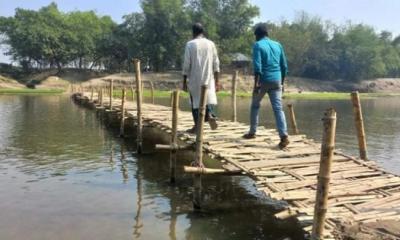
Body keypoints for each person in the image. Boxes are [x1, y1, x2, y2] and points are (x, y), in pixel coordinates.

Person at [243, 23, 290, 149]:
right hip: (277, 80)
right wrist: (282, 82)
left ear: (257, 35)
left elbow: (257, 67)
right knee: (278, 109)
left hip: (263, 80)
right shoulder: (278, 45)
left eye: (255, 36)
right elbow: (284, 66)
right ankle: (283, 136)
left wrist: (256, 85)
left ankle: (252, 132)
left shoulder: (258, 45)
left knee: (255, 105)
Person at [182, 23, 220, 133]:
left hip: (195, 78)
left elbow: (186, 64)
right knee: (207, 100)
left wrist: (184, 81)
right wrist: (217, 81)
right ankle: (210, 115)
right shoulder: (211, 44)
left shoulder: (190, 44)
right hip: (208, 78)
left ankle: (197, 126)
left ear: (193, 32)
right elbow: (216, 63)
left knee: (195, 102)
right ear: (203, 32)